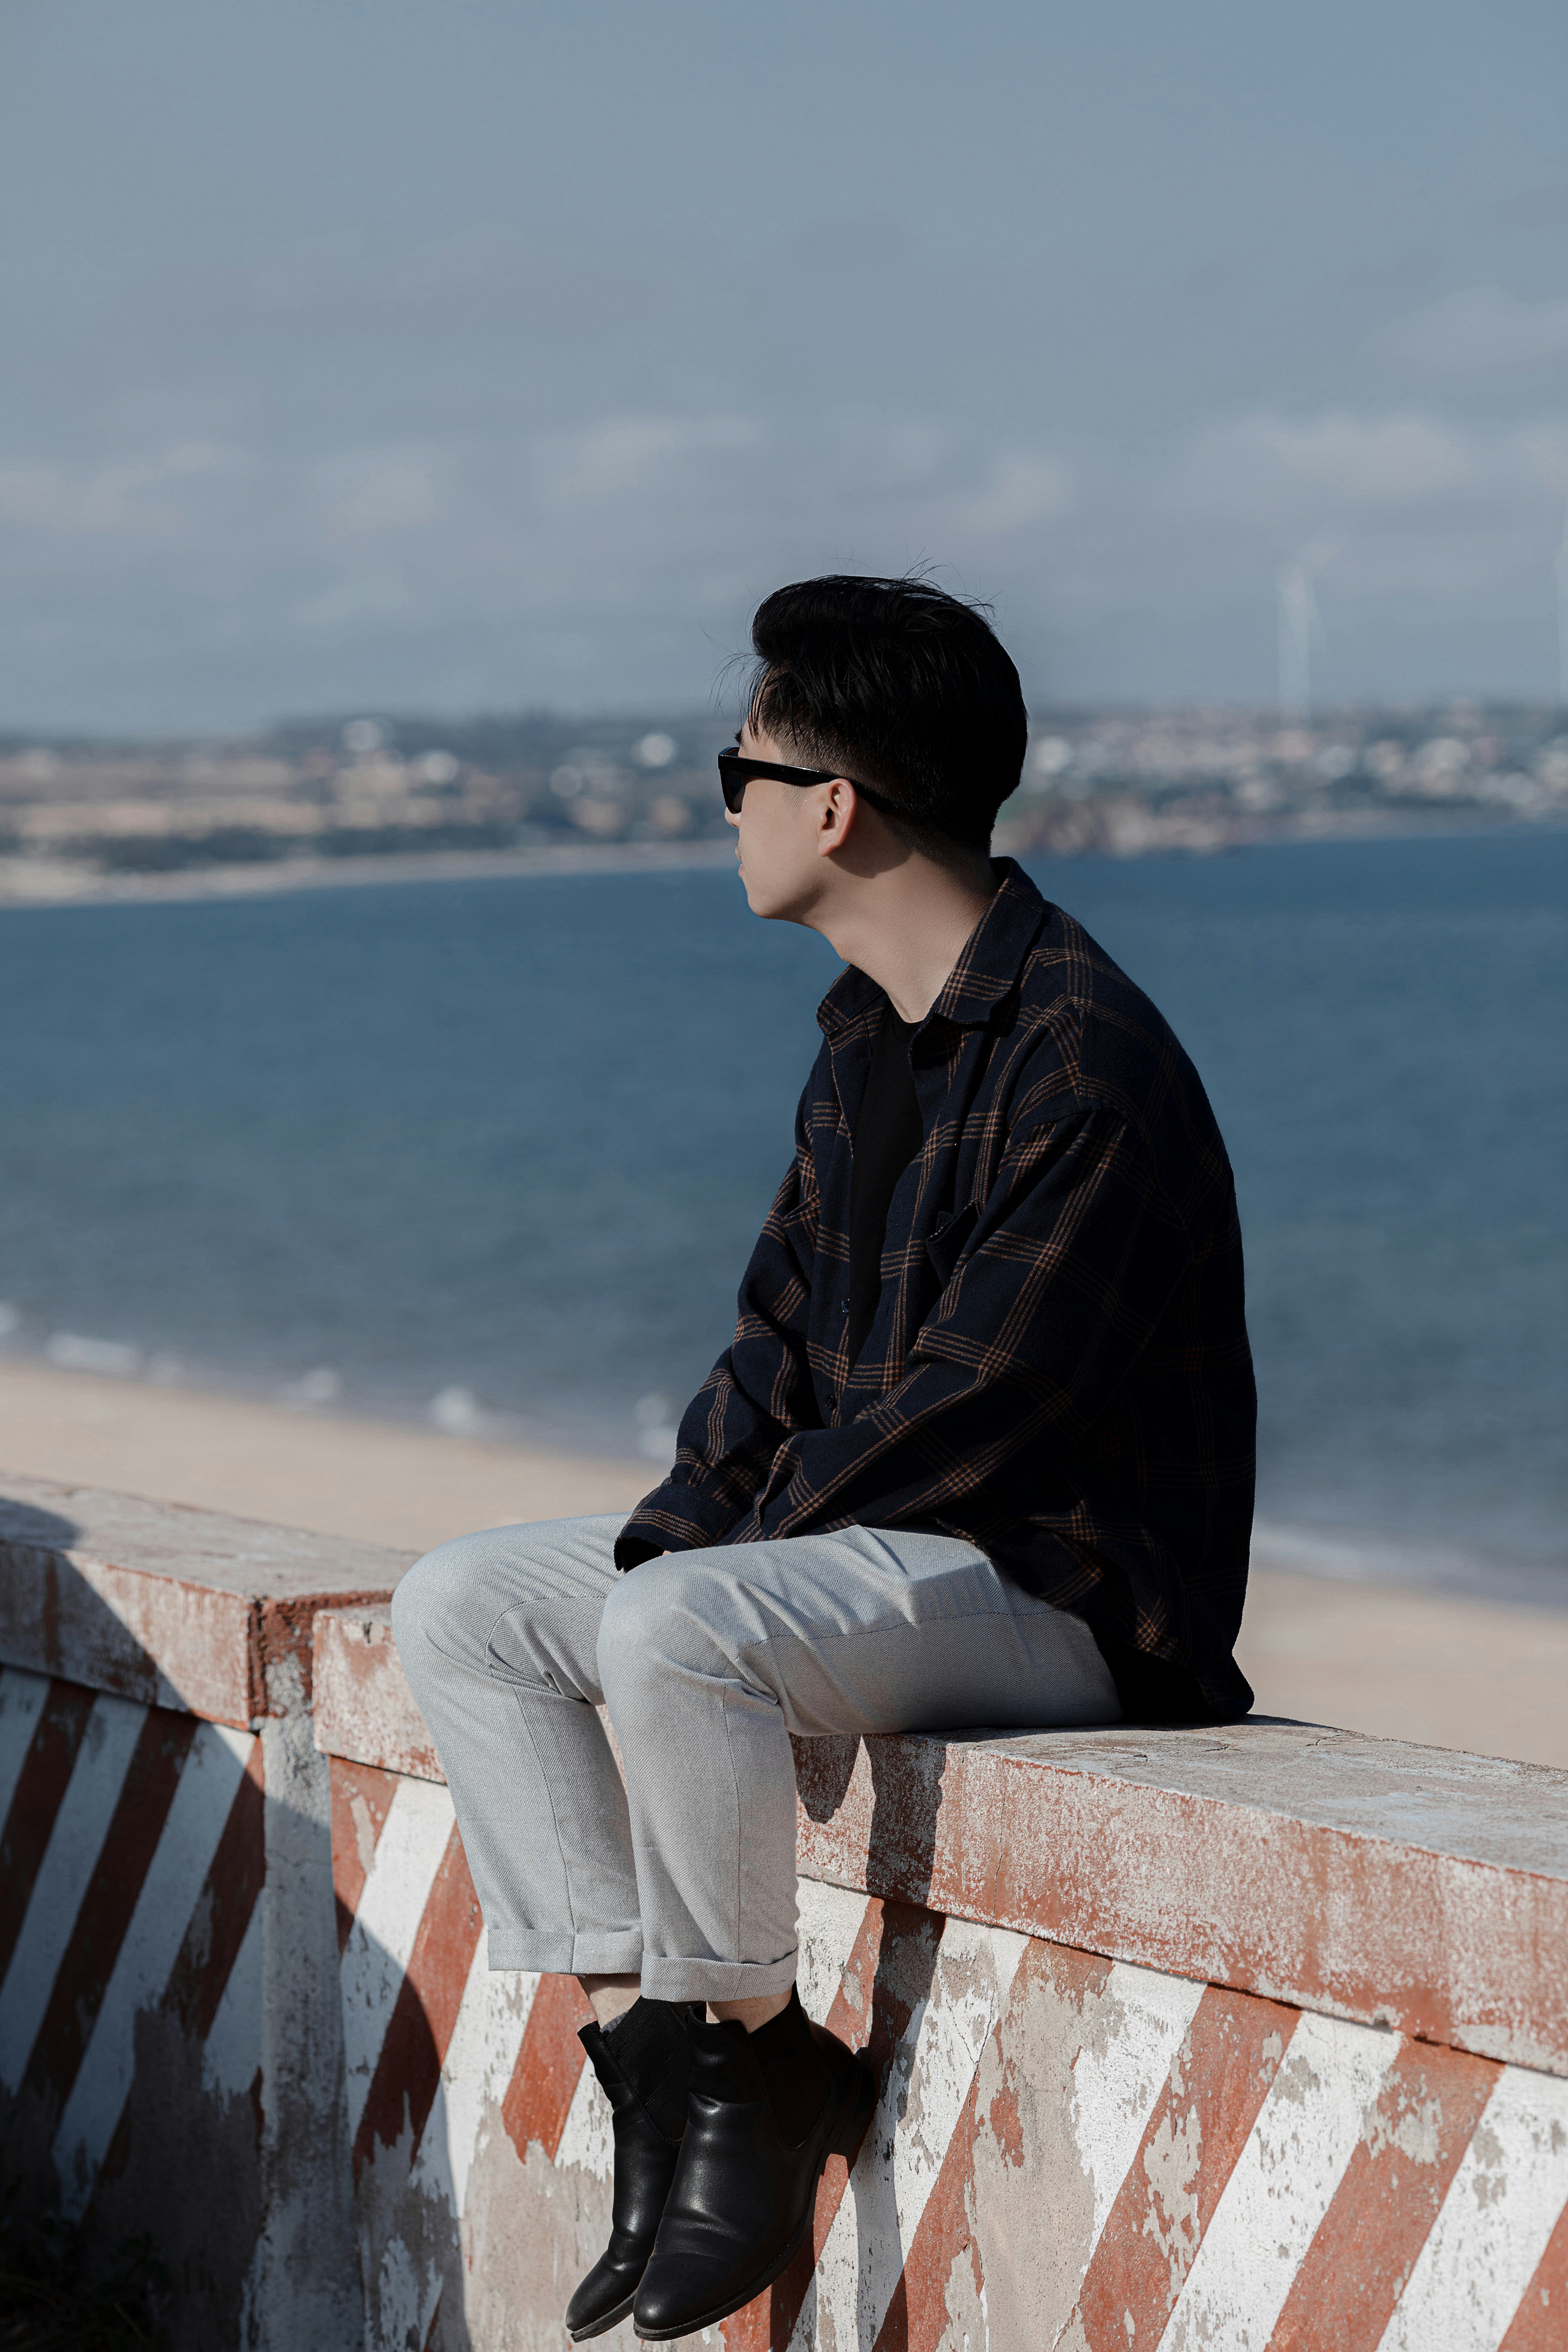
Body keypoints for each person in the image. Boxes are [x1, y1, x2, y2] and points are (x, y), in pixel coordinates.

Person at [392, 574, 1256, 2342]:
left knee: (679, 1632)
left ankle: (752, 2059)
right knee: (471, 1602)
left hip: (1058, 1595)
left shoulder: (1082, 1052)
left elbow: (976, 1412)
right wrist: (677, 1534)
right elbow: (773, 1344)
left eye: (741, 774)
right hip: (882, 1558)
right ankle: (672, 2059)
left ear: (834, 805)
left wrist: (717, 1582)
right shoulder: (864, 1039)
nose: (731, 813)